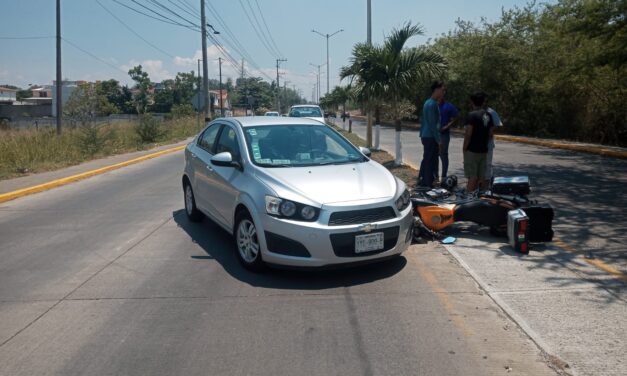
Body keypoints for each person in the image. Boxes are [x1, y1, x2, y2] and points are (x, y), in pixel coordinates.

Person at [463, 92, 494, 192]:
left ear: (473, 102)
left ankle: (467, 199)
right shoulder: (488, 115)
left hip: (472, 150)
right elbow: (490, 134)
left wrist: (464, 148)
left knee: (472, 176)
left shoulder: (471, 115)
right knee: (481, 177)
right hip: (483, 151)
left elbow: (468, 134)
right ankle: (478, 197)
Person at [418, 81, 444, 188]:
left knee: (427, 159)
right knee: (430, 160)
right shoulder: (431, 104)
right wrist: (439, 140)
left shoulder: (430, 103)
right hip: (430, 136)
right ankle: (427, 184)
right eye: (442, 90)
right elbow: (432, 124)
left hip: (427, 135)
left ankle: (423, 180)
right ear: (436, 90)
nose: (443, 92)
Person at [437, 93, 459, 181]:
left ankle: (444, 175)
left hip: (444, 134)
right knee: (434, 154)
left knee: (443, 154)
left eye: (442, 94)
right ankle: (434, 175)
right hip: (433, 134)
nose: (440, 97)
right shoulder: (433, 105)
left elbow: (456, 116)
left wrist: (447, 126)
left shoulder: (449, 106)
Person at [485, 102, 503, 188]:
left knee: (487, 166)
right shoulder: (475, 112)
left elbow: (499, 125)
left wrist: (492, 129)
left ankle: (487, 188)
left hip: (488, 144)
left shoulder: (491, 112)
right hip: (475, 146)